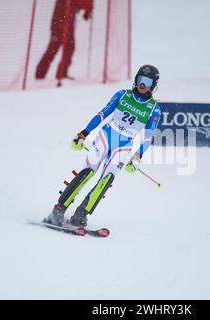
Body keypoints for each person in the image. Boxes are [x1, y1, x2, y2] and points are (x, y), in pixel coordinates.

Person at [44, 65, 162, 227]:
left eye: (147, 82)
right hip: (105, 136)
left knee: (106, 180)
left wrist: (137, 156)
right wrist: (83, 133)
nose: (142, 85)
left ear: (153, 85)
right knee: (87, 172)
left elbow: (148, 138)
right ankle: (58, 209)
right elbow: (102, 114)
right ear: (136, 79)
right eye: (140, 80)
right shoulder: (122, 95)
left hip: (124, 145)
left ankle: (81, 213)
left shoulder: (154, 109)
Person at [36, 0, 93, 80]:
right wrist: (88, 9)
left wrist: (88, 10)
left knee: (56, 47)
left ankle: (41, 73)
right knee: (66, 46)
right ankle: (58, 74)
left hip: (62, 18)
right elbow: (82, 2)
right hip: (64, 17)